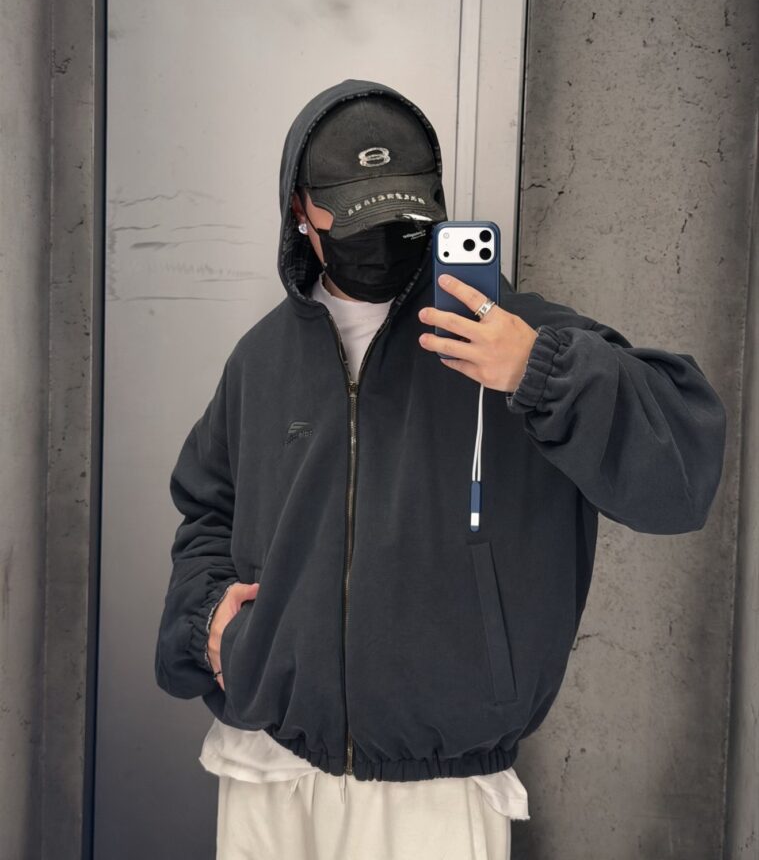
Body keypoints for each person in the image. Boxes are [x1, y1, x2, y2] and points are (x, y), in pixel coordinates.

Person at [155, 78, 727, 860]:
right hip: (264, 763)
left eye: (401, 214)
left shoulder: (520, 339)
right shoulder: (262, 358)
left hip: (435, 789)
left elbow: (680, 480)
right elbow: (207, 509)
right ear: (300, 211)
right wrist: (207, 623)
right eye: (355, 216)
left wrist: (539, 370)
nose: (381, 238)